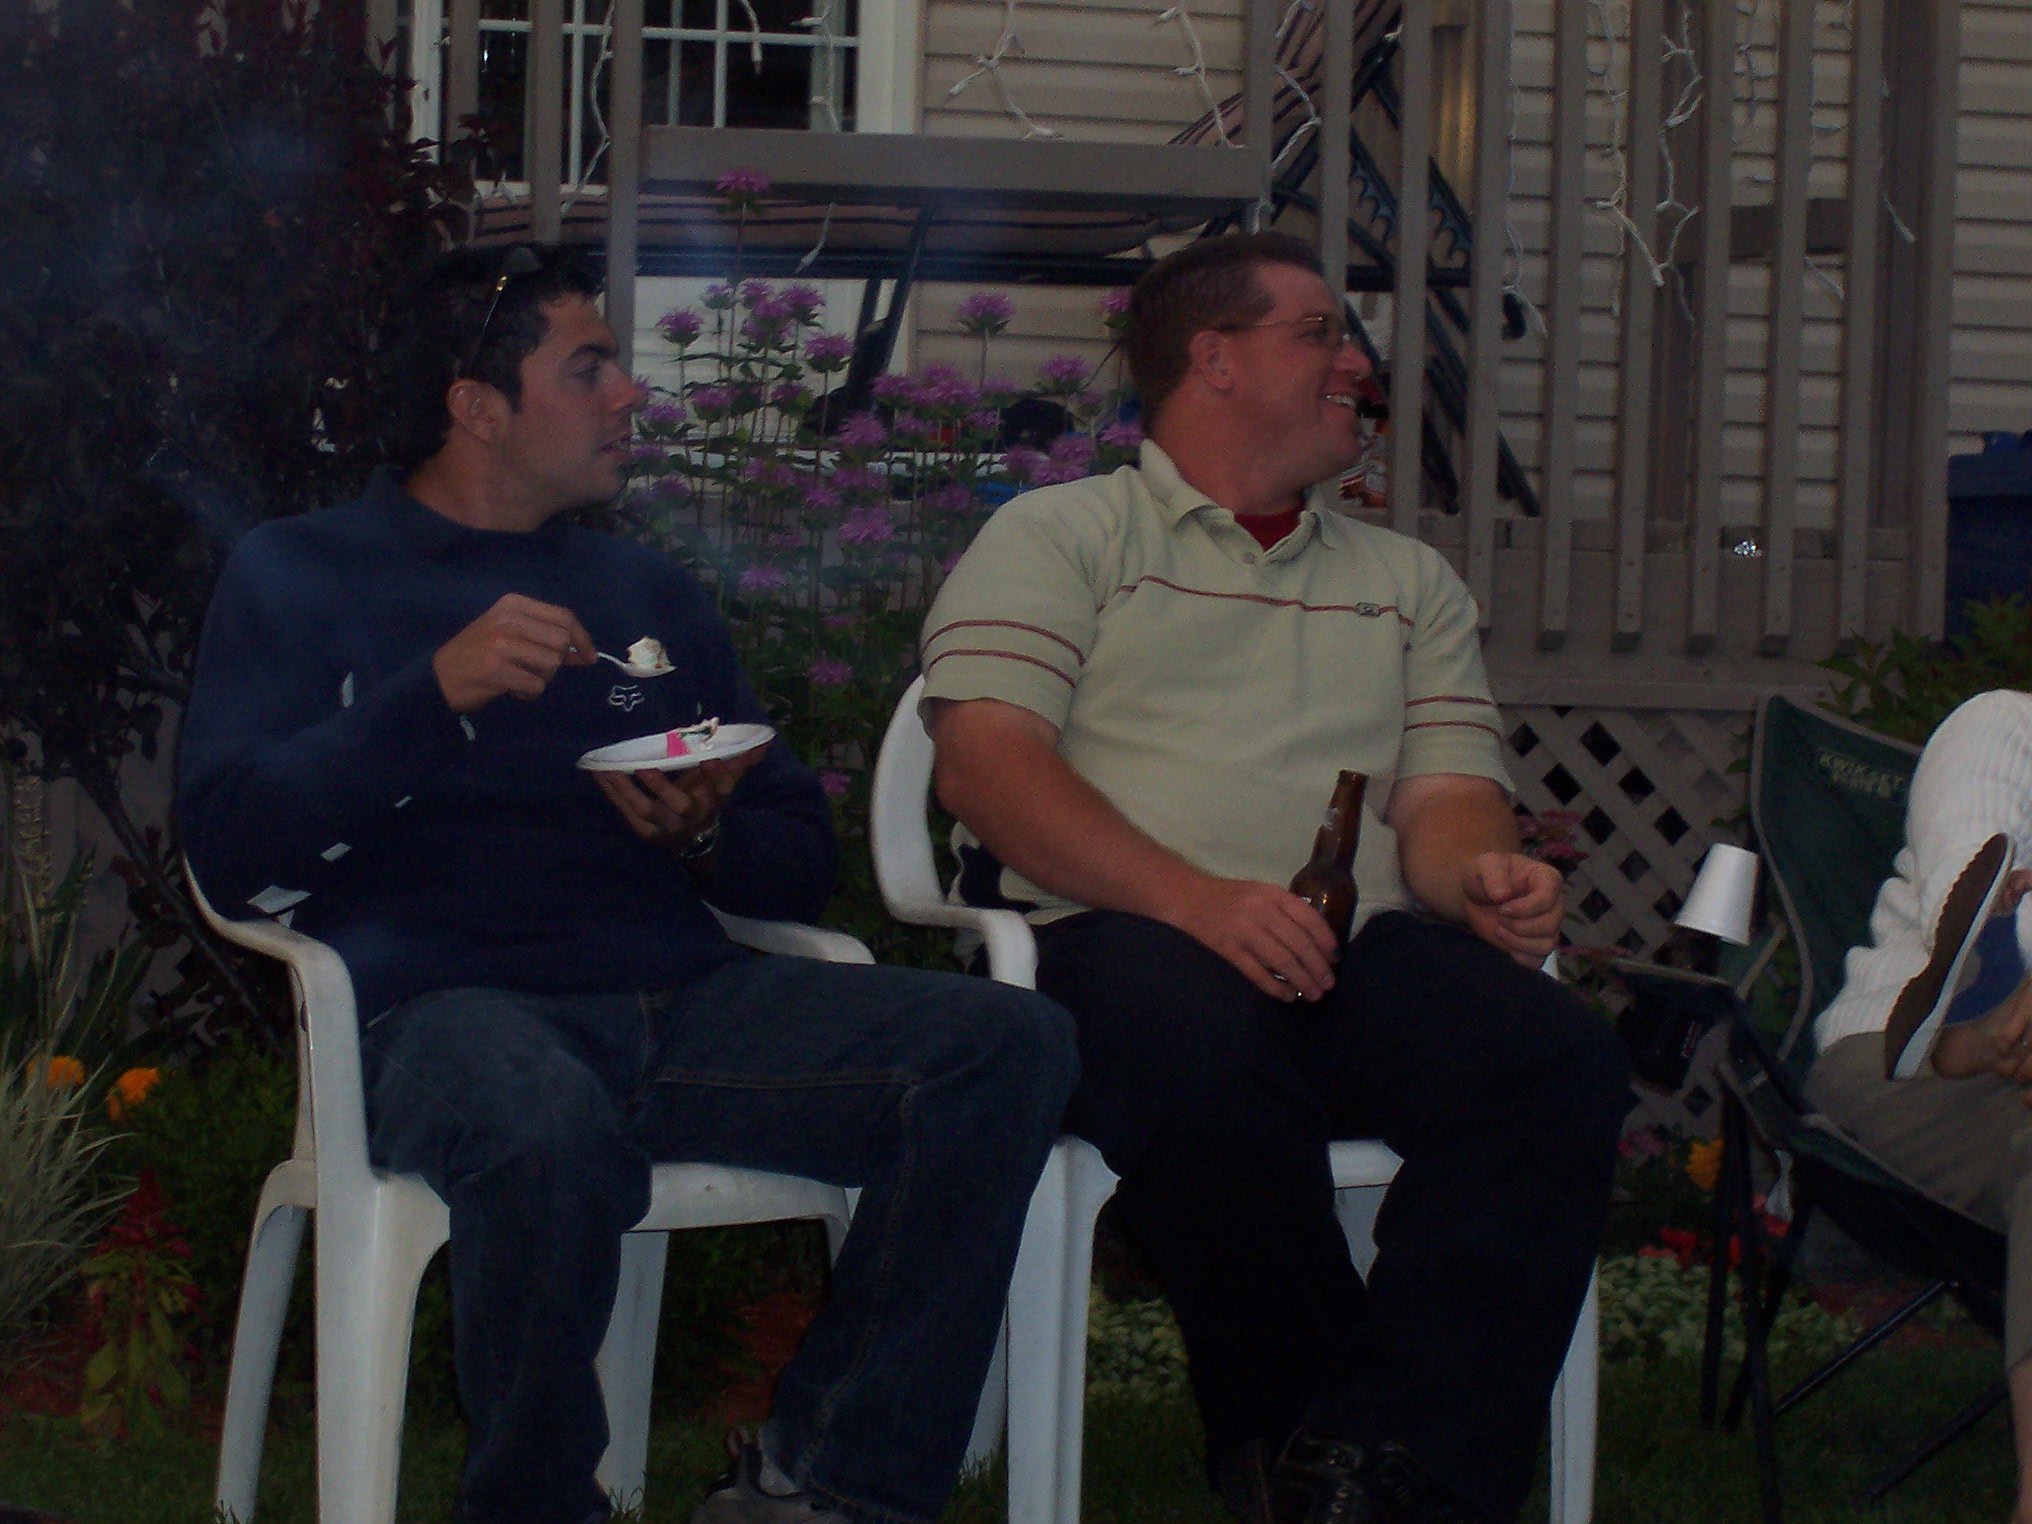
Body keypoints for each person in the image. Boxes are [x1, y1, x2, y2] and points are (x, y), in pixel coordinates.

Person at [176, 244, 1080, 1524]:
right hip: (440, 1013)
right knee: (541, 1120)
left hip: (683, 1008)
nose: (630, 394)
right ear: (477, 404)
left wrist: (699, 839)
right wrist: (429, 698)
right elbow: (228, 846)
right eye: (590, 366)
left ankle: (827, 1487)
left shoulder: (642, 592)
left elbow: (793, 858)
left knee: (1005, 1043)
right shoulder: (304, 571)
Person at [918, 232, 1629, 1524]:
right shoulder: (1061, 533)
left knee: (1552, 1058)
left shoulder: (1405, 583)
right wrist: (1201, 903)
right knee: (1200, 1050)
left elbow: (1446, 797)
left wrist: (1482, 876)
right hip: (1112, 935)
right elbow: (987, 767)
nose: (1357, 362)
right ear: (1215, 359)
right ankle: (1301, 1440)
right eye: (1321, 334)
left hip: (1348, 950)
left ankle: (1386, 1466)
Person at [1807, 688, 2032, 1524]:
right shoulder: (2008, 723)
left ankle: (1992, 1010)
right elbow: (1977, 804)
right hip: (1893, 1057)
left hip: (1997, 1056)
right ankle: (1966, 944)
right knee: (1992, 759)